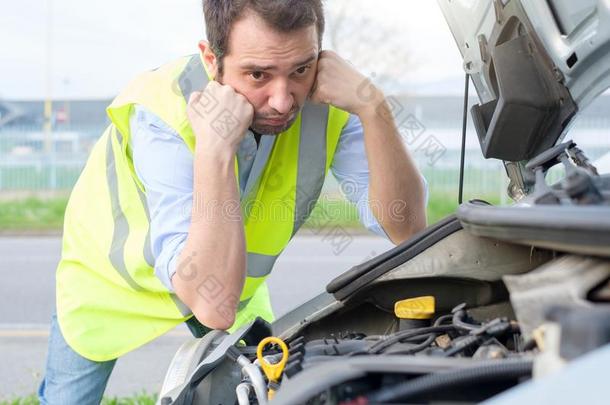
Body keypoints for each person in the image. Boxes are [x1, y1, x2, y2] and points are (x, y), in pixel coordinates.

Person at [38, 0, 427, 403]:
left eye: (300, 69)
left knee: (257, 390)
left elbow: (407, 228)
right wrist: (214, 146)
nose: (282, 99)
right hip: (112, 283)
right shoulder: (161, 109)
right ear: (211, 58)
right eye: (257, 74)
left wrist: (374, 108)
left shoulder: (331, 103)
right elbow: (210, 302)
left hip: (225, 275)